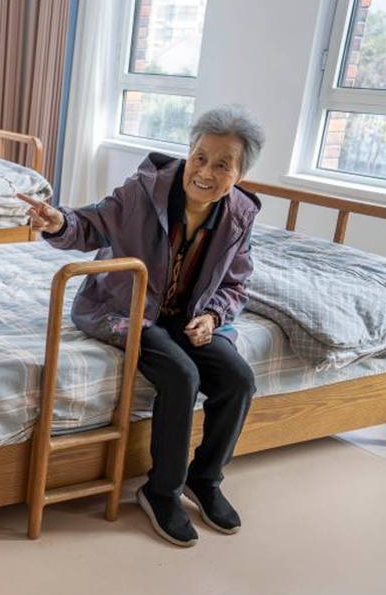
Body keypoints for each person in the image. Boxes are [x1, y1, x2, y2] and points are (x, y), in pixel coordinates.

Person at [18, 105, 266, 547]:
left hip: (188, 319)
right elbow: (92, 223)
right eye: (200, 157)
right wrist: (58, 221)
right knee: (181, 375)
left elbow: (235, 283)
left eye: (223, 164)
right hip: (125, 307)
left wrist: (212, 317)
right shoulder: (143, 191)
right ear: (188, 154)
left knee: (239, 380)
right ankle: (162, 490)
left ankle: (205, 480)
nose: (206, 172)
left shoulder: (239, 215)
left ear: (240, 174)